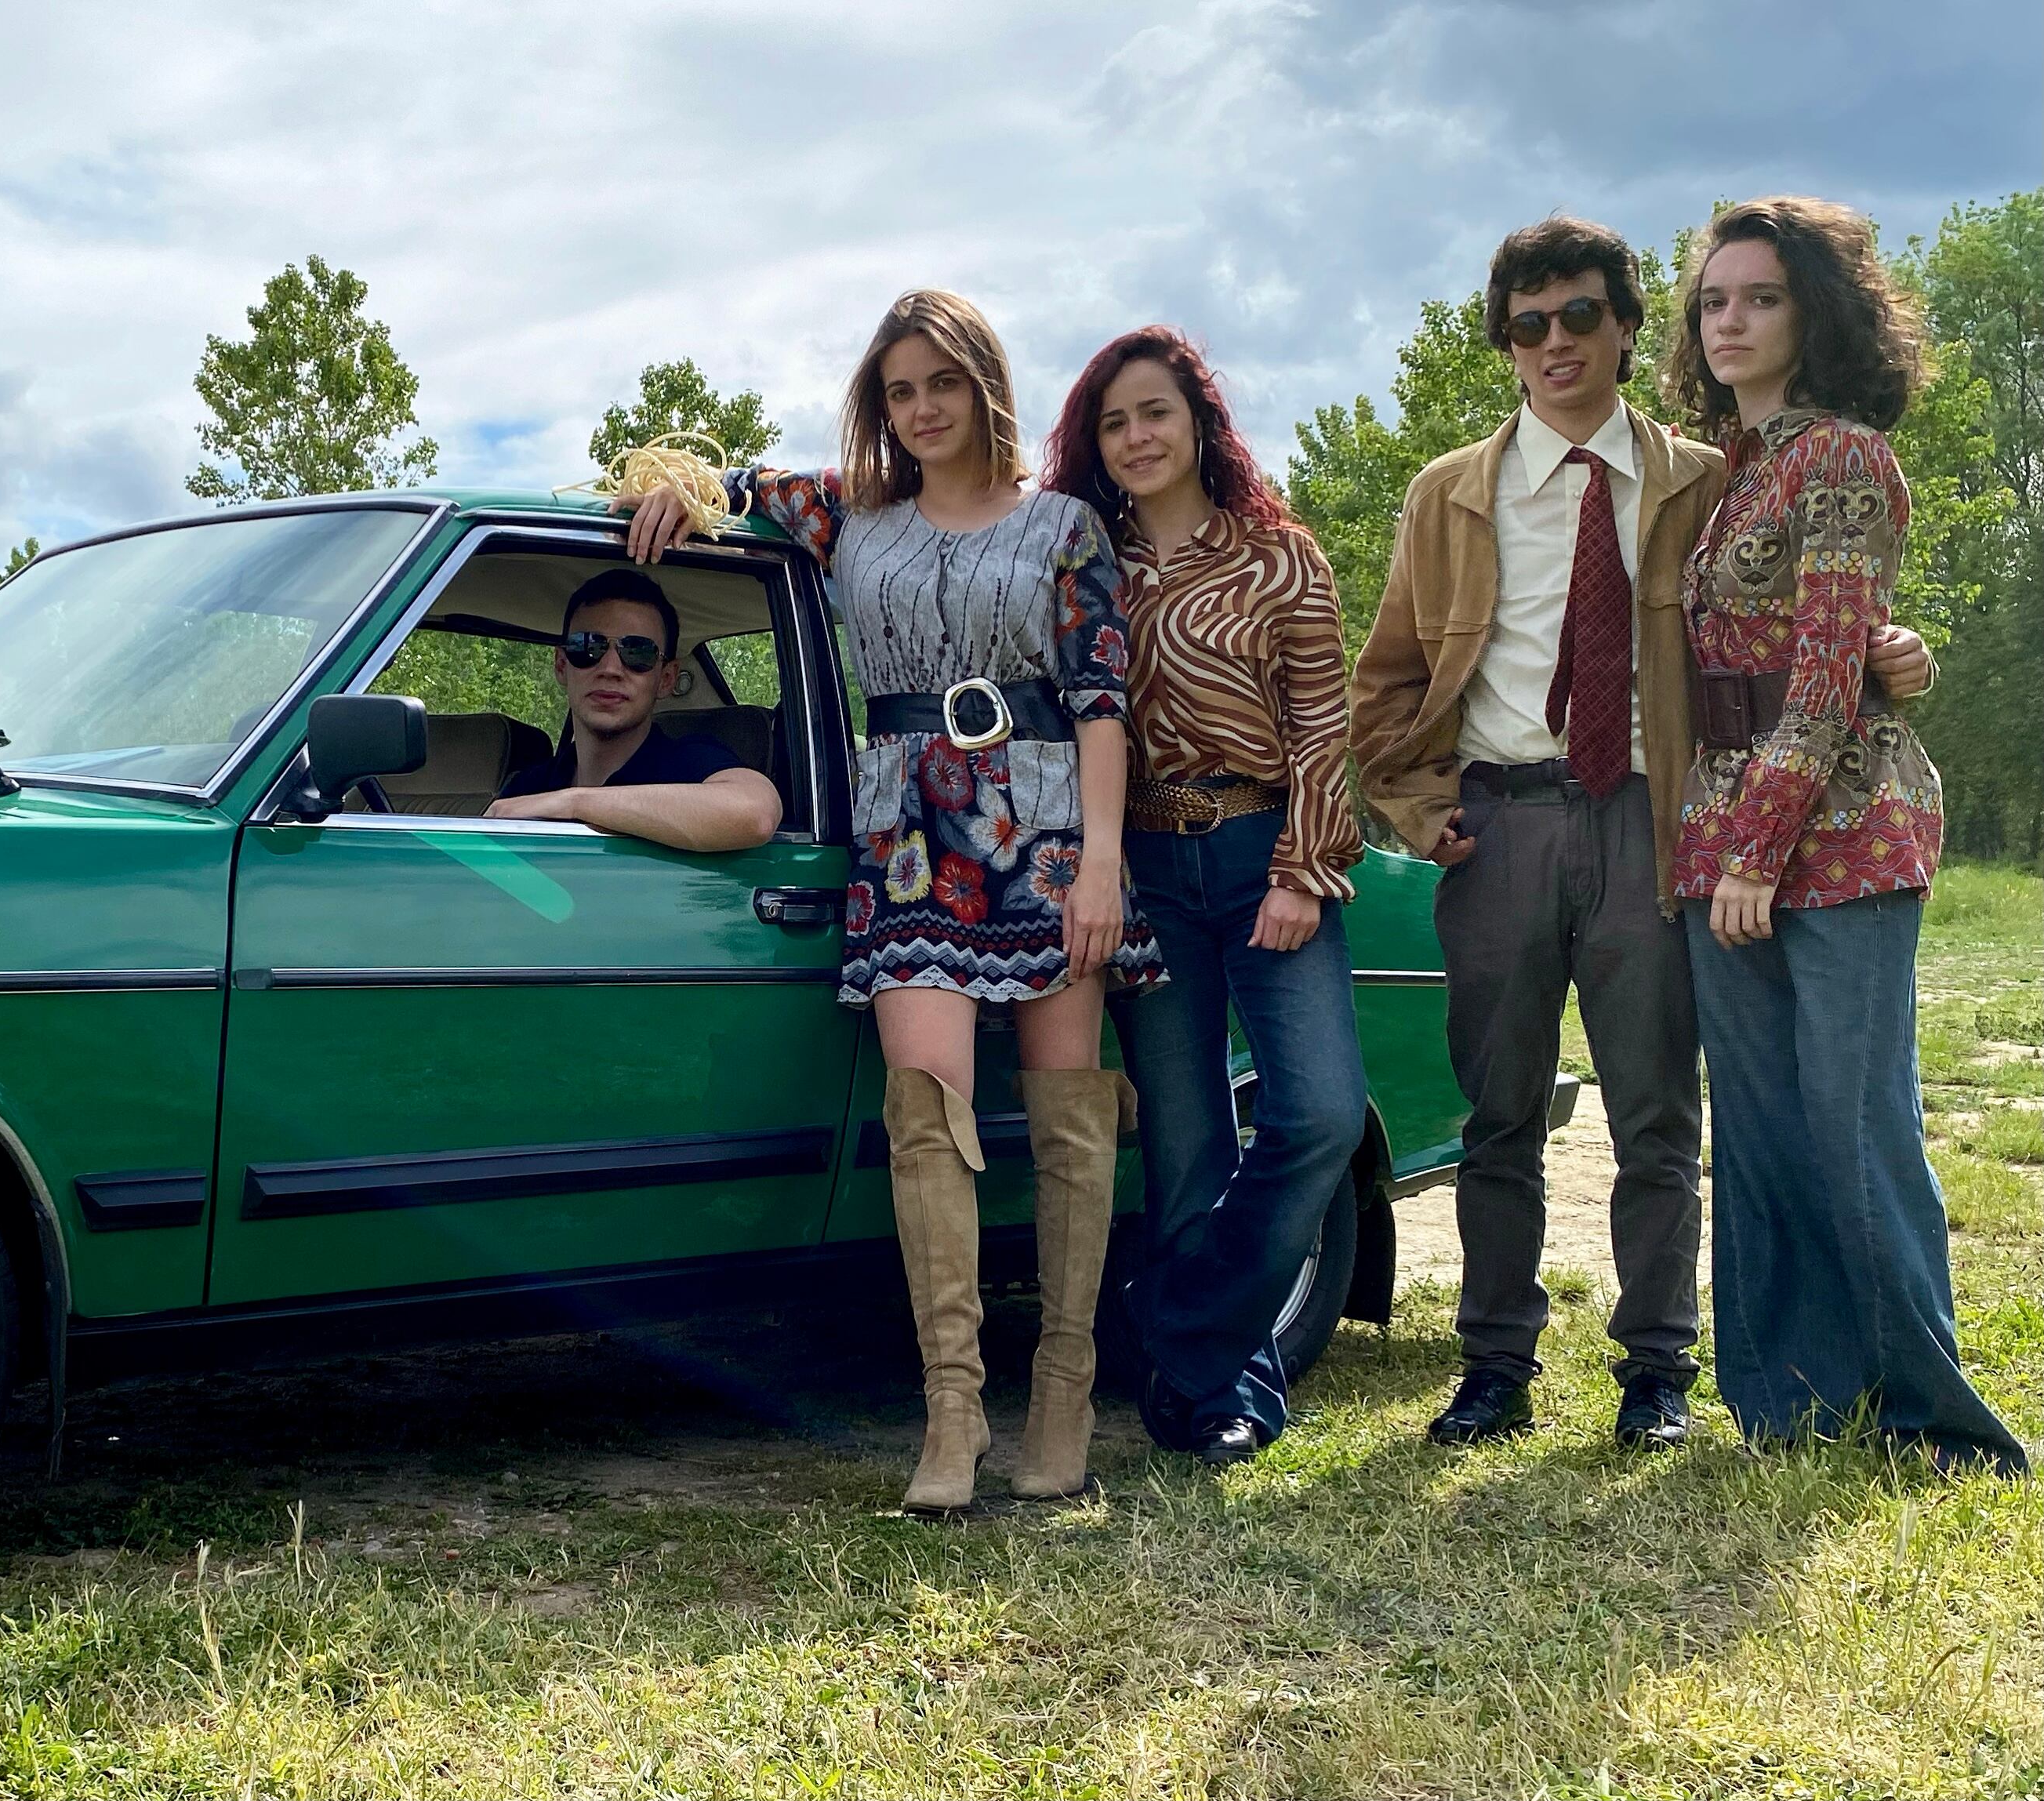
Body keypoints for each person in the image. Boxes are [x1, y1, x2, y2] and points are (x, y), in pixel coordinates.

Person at [1350, 216, 1933, 1452]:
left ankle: (1654, 1375)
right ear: (1503, 342)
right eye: (1525, 324)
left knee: (1655, 1114)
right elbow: (1384, 686)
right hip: (1497, 827)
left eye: (1576, 316)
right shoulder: (1445, 493)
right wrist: (1417, 808)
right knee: (1494, 1116)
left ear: (1622, 327)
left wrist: (1896, 654)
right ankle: (1493, 1366)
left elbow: (1791, 616)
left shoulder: (1698, 477)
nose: (1551, 342)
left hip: (1649, 822)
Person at [622, 289, 1164, 1511]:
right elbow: (721, 490)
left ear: (984, 389)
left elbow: (1097, 701)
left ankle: (1062, 1397)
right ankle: (952, 1409)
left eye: (941, 386)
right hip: (909, 834)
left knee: (1068, 1119)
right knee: (924, 1115)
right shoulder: (847, 518)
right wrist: (670, 491)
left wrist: (1103, 864)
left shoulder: (1065, 524)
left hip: (1047, 827)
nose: (920, 412)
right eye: (897, 392)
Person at [1664, 198, 2025, 1475]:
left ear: (1817, 312)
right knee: (1757, 1134)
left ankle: (1941, 1423)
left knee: (1855, 1128)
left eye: (1759, 297)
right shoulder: (1733, 470)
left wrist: (1761, 844)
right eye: (1714, 299)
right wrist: (1725, 845)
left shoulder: (1846, 457)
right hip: (1720, 833)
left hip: (1843, 829)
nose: (1731, 320)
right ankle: (1792, 1406)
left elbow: (1827, 673)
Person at [1040, 327, 1365, 1468]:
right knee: (1186, 1143)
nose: (1134, 437)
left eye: (1153, 414)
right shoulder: (1083, 567)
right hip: (1139, 871)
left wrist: (1299, 869)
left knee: (1317, 1112)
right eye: (1113, 421)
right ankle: (1216, 1394)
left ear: (1197, 424)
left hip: (1257, 848)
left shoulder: (1280, 557)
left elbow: (1324, 728)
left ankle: (1174, 1328)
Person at [485, 568, 784, 852]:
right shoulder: (530, 786)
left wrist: (574, 803)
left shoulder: (685, 764)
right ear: (562, 666)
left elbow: (757, 813)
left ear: (665, 679)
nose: (611, 669)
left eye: (638, 652)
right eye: (588, 647)